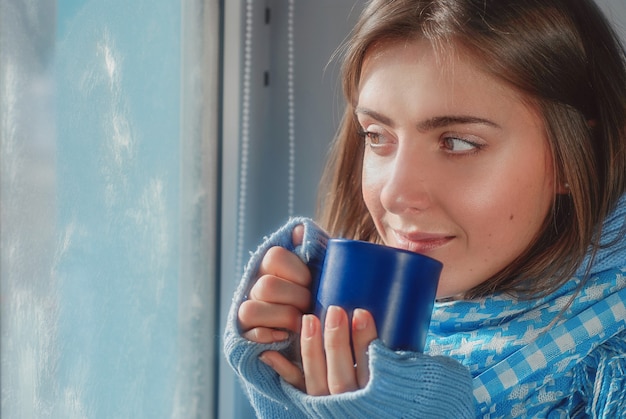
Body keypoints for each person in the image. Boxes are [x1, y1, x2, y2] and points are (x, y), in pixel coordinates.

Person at [224, 0, 626, 417]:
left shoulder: (610, 373)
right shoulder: (382, 318)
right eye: (377, 136)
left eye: (457, 143)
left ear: (575, 156)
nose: (394, 194)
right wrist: (293, 383)